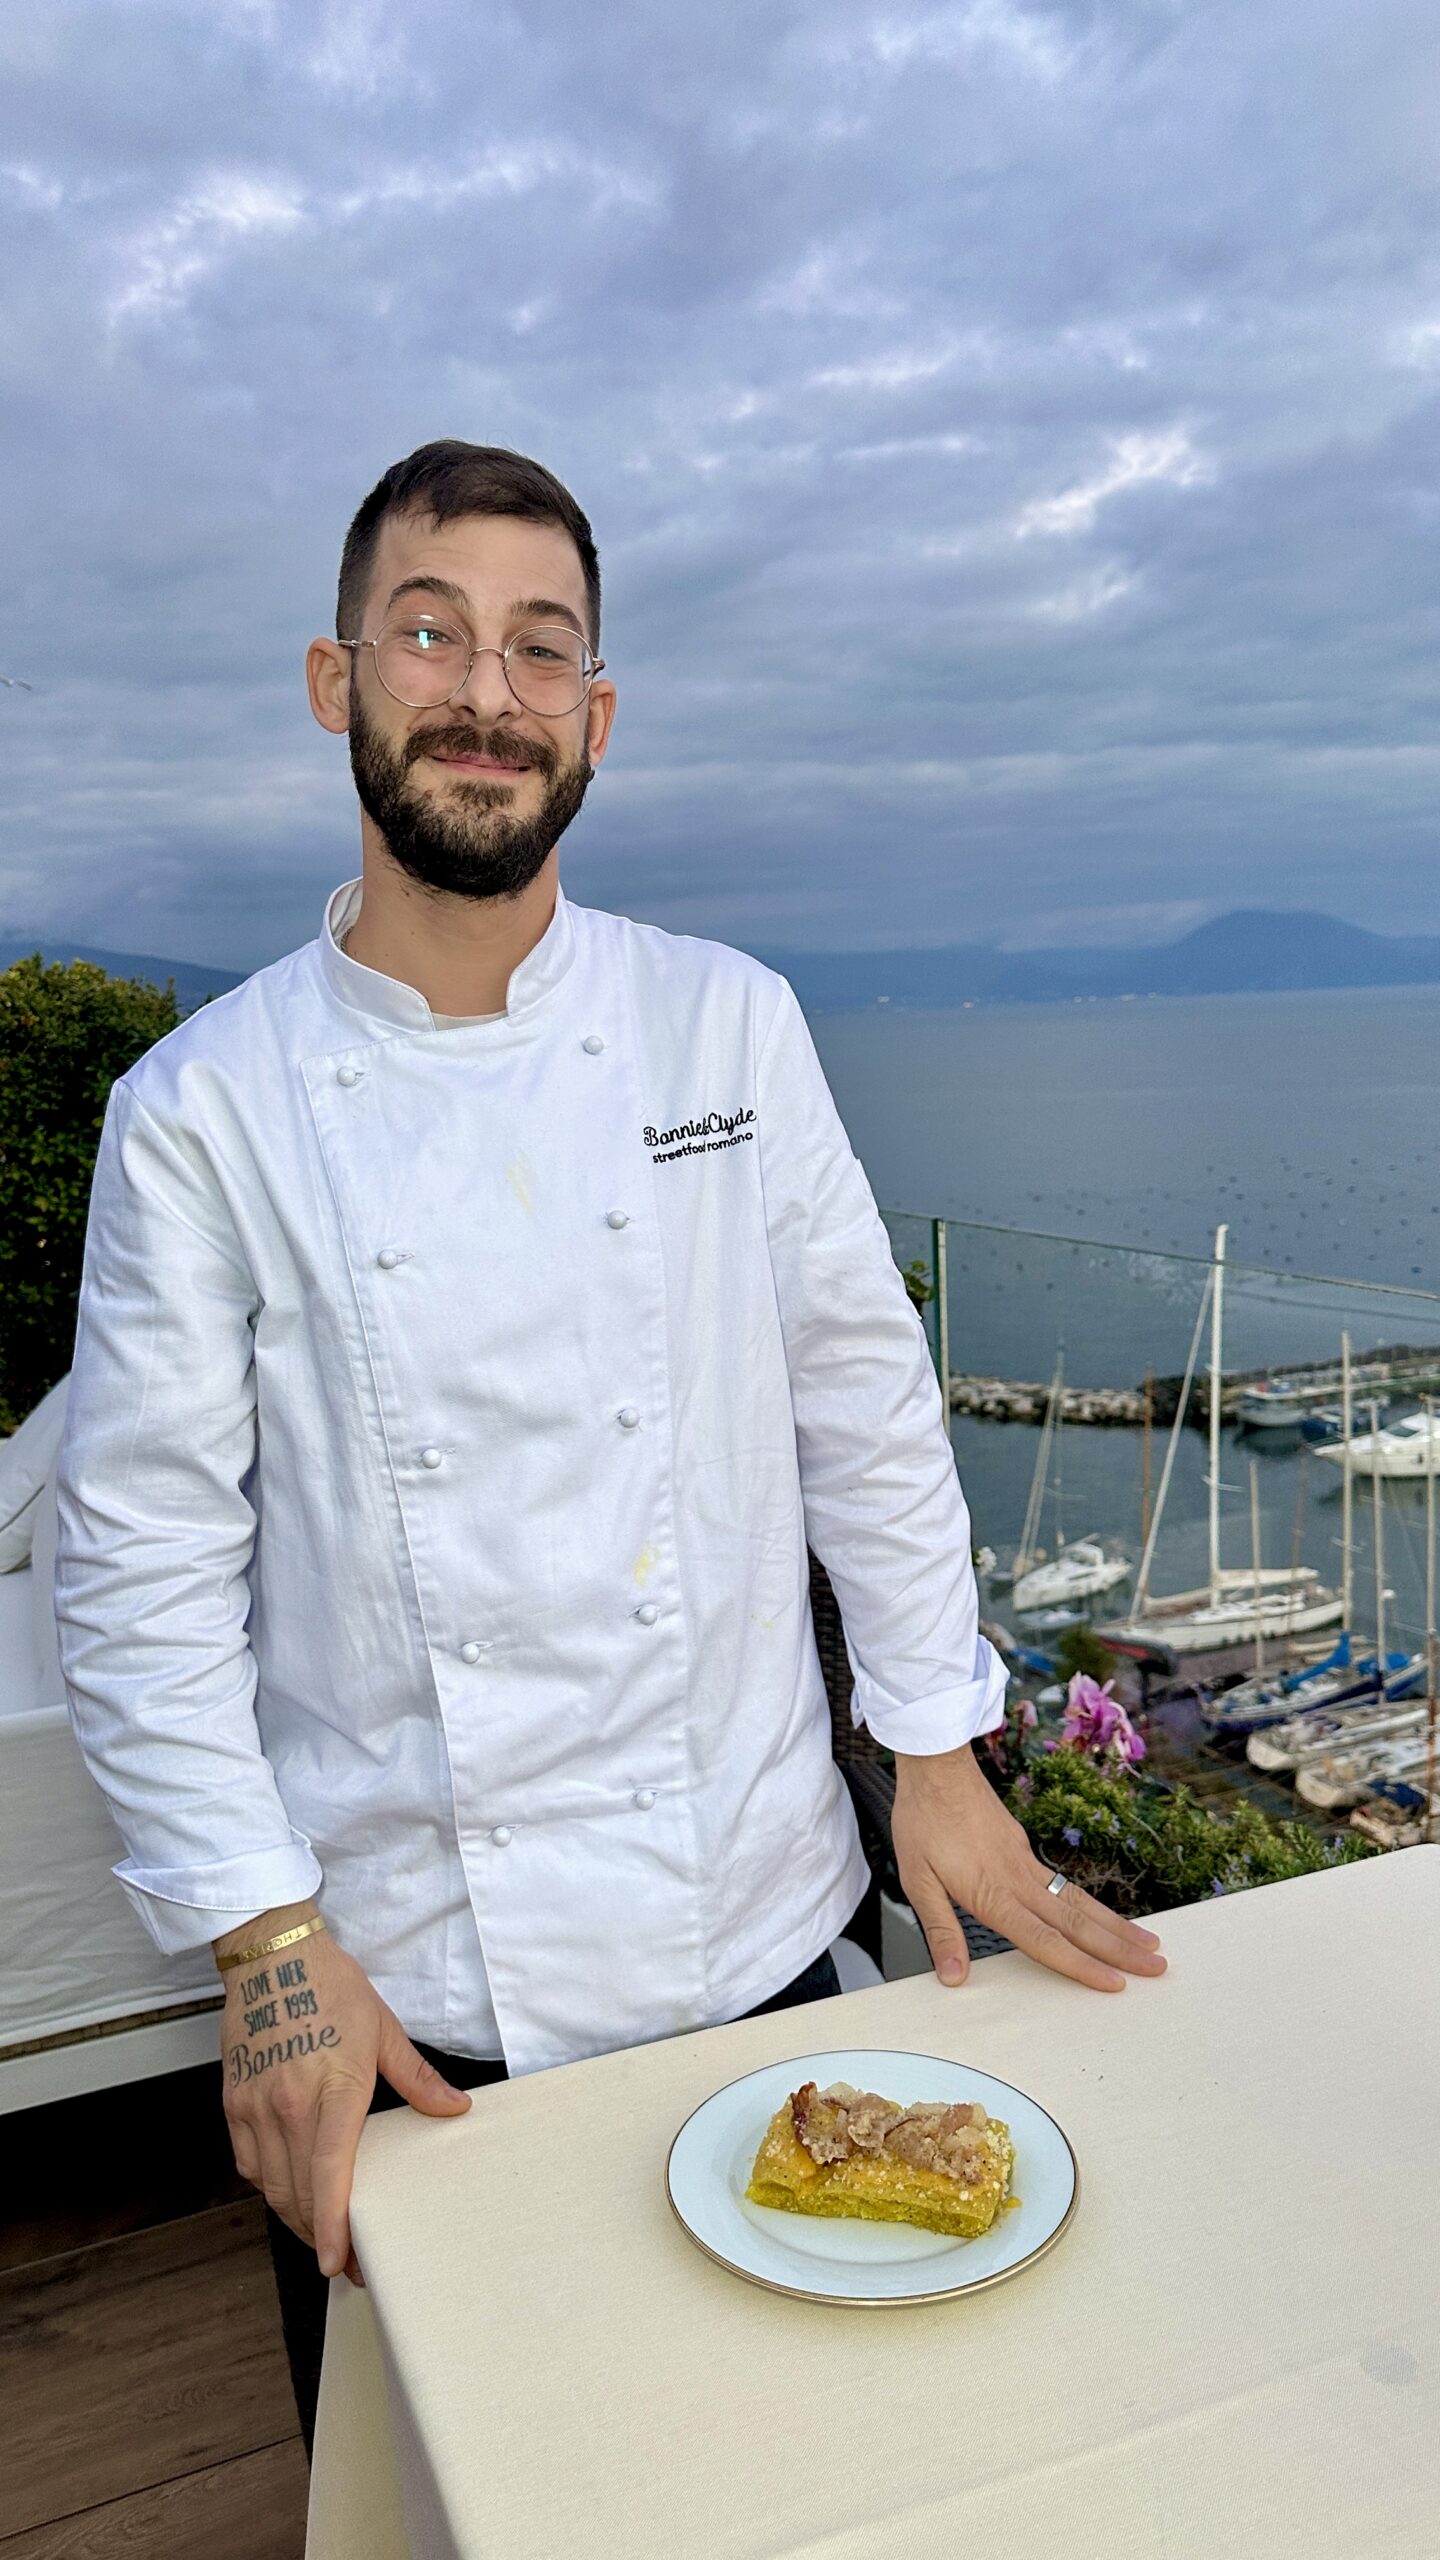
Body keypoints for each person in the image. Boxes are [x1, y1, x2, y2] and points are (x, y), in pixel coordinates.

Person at [55, 440, 1165, 2449]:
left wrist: (938, 1744)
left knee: (826, 2474)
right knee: (452, 2494)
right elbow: (136, 1582)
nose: (487, 690)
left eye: (539, 647)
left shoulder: (726, 1025)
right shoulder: (200, 1115)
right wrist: (268, 1945)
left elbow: (862, 1406)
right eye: (432, 631)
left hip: (759, 1946)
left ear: (597, 717)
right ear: (337, 681)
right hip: (414, 2025)